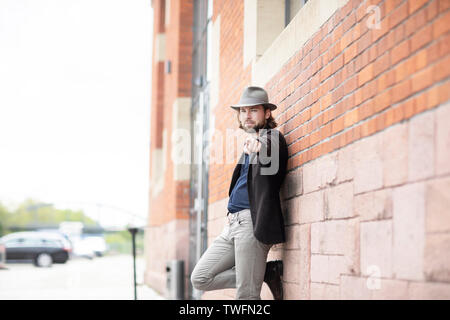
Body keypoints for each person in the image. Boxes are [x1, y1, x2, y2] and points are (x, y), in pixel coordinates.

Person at [190, 86, 288, 300]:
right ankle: (263, 273)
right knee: (200, 278)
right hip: (232, 225)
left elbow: (268, 147)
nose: (247, 115)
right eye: (243, 111)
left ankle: (254, 276)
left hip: (251, 223)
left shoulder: (271, 138)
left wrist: (257, 145)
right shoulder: (246, 148)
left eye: (253, 110)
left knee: (246, 297)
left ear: (267, 113)